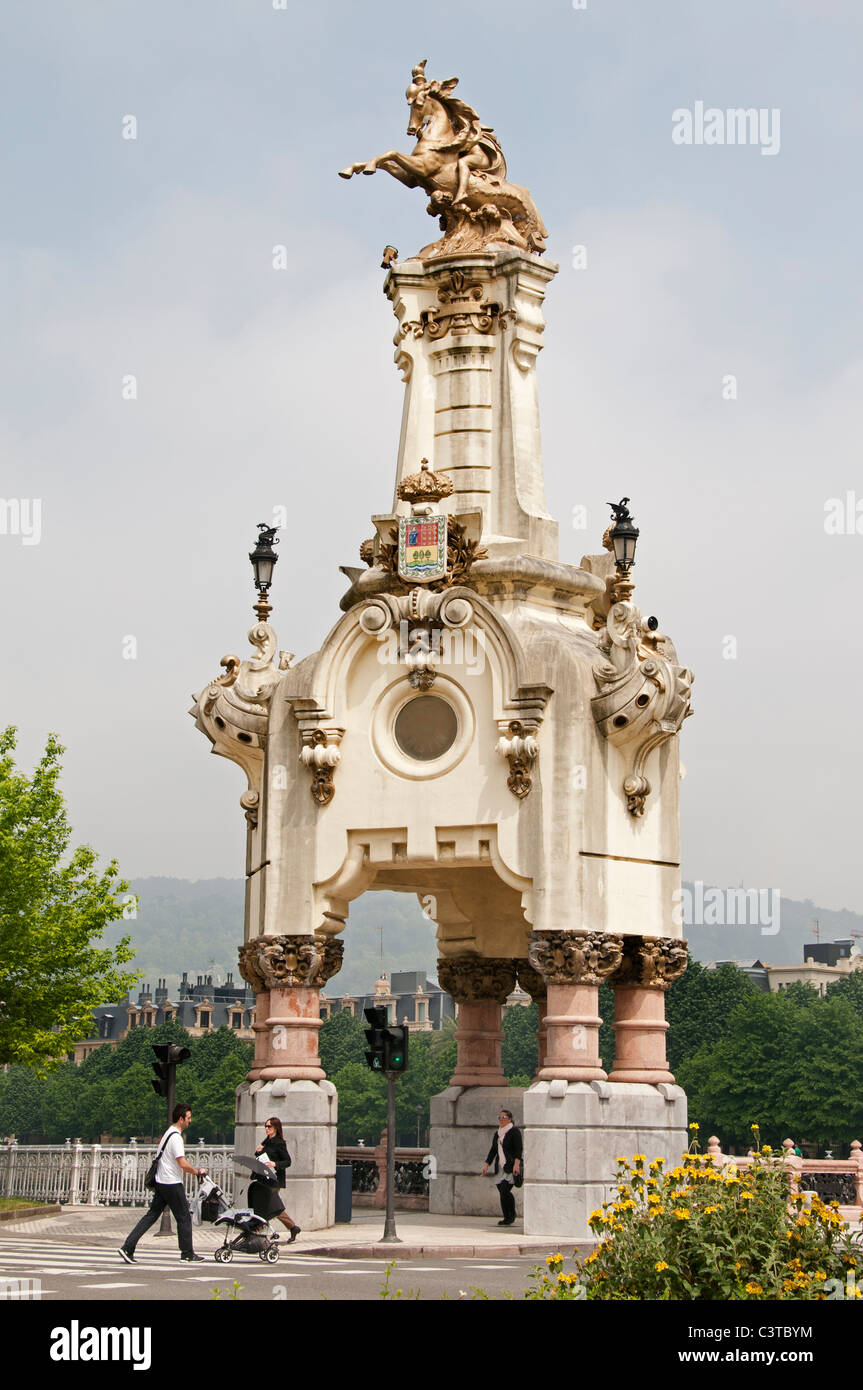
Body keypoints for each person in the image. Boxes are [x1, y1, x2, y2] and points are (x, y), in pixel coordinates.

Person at [119, 1103, 206, 1263]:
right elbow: (182, 1163)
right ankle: (187, 1253)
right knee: (184, 1217)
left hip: (161, 1181)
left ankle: (127, 1247)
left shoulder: (168, 1134)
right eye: (188, 1117)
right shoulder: (176, 1138)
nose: (190, 1121)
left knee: (151, 1216)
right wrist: (197, 1171)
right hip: (171, 1182)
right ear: (181, 1119)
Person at [252, 1116, 301, 1242]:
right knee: (272, 1206)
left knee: (270, 1206)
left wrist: (275, 1164)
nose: (267, 1129)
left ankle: (261, 1232)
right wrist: (258, 1151)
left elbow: (287, 1161)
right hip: (264, 1178)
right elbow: (263, 1158)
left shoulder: (279, 1142)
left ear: (276, 1128)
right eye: (266, 1126)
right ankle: (292, 1227)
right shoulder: (266, 1141)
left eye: (269, 1126)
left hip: (274, 1180)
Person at [481, 1107, 523, 1227]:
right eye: (500, 1118)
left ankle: (510, 1216)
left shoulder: (514, 1131)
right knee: (502, 1192)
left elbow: (518, 1149)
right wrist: (486, 1164)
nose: (501, 1120)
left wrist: (516, 1165)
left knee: (505, 1191)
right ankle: (508, 1215)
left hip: (510, 1166)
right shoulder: (498, 1133)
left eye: (504, 1118)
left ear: (510, 1119)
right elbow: (493, 1151)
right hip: (500, 1166)